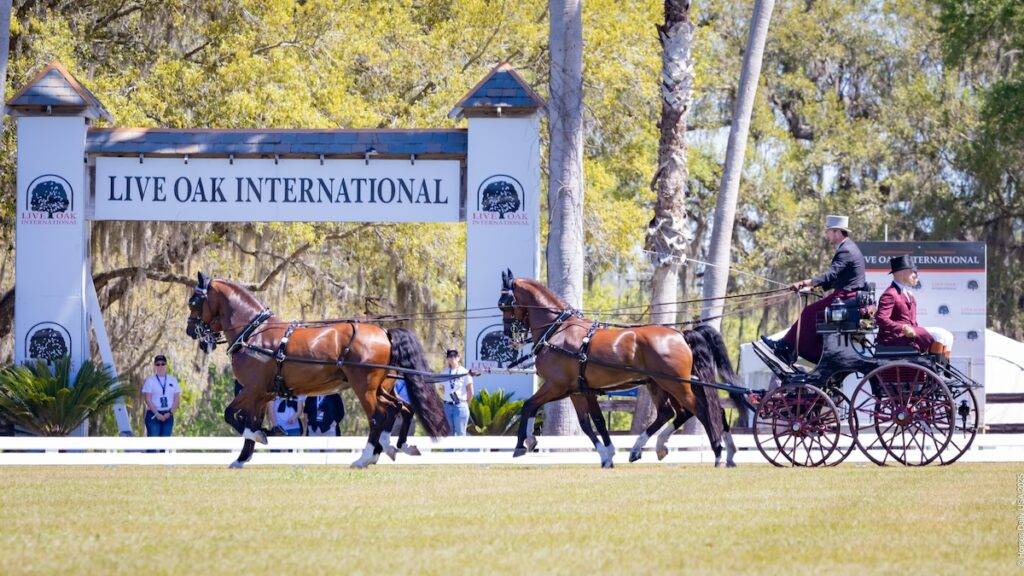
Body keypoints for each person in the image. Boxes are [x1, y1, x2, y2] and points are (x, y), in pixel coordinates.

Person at [761, 215, 867, 364]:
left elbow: (831, 275)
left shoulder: (846, 250)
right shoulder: (849, 247)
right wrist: (812, 287)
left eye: (828, 231)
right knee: (811, 313)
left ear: (837, 232)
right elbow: (835, 279)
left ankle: (787, 347)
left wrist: (804, 282)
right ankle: (792, 348)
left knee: (809, 312)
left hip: (846, 297)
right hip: (847, 296)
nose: (826, 235)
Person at [875, 254, 954, 358]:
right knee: (940, 335)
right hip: (895, 337)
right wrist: (902, 327)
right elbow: (881, 318)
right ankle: (936, 366)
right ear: (902, 273)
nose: (916, 275)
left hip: (910, 334)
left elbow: (912, 321)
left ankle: (941, 365)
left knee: (948, 336)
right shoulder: (890, 293)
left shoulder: (908, 293)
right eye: (913, 272)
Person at [142, 355, 180, 437]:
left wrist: (170, 413)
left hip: (168, 415)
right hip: (153, 414)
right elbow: (147, 399)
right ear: (154, 366)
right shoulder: (150, 380)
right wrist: (157, 414)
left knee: (165, 442)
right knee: (153, 441)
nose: (160, 366)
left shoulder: (173, 380)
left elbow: (177, 399)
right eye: (158, 364)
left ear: (166, 365)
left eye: (163, 364)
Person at [441, 349, 474, 436]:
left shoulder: (465, 372)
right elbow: (443, 389)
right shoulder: (445, 372)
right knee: (448, 434)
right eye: (450, 356)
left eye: (455, 356)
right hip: (447, 406)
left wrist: (465, 404)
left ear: (458, 357)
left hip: (460, 406)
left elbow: (470, 392)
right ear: (447, 358)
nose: (452, 358)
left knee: (460, 433)